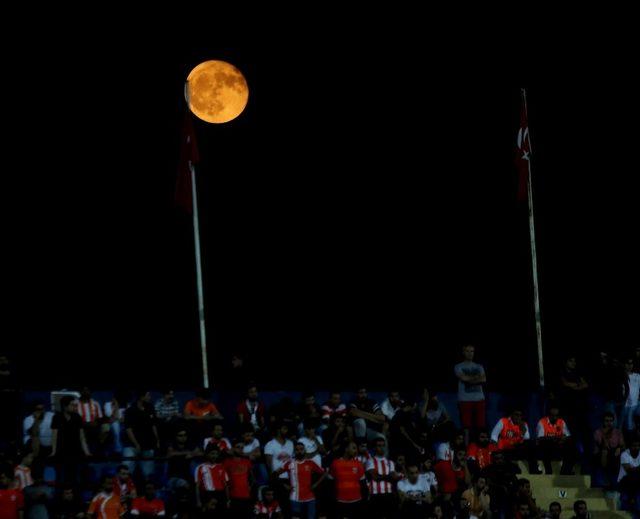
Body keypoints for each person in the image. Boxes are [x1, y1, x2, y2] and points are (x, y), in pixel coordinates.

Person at [273, 442, 326, 519]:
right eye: (297, 450)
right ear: (294, 451)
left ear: (304, 450)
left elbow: (324, 473)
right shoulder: (289, 463)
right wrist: (285, 485)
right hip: (295, 498)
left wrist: (316, 484)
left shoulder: (310, 463)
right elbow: (274, 474)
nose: (299, 451)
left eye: (301, 449)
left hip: (310, 498)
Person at [50, 396, 91, 485]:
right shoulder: (56, 417)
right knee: (60, 478)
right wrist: (53, 452)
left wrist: (87, 452)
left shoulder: (77, 417)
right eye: (72, 405)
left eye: (75, 405)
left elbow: (82, 437)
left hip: (75, 452)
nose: (75, 407)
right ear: (65, 406)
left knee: (75, 479)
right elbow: (54, 436)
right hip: (61, 453)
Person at [122, 391, 160, 480]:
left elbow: (153, 425)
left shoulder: (150, 408)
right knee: (126, 471)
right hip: (131, 445)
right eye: (148, 395)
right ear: (141, 397)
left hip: (147, 445)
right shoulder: (130, 410)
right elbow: (128, 429)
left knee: (149, 474)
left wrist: (157, 440)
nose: (150, 397)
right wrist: (136, 444)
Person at [454, 344, 487, 444]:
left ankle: (479, 449)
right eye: (467, 351)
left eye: (472, 351)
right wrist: (477, 379)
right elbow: (463, 378)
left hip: (479, 399)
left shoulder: (479, 366)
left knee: (480, 426)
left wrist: (469, 380)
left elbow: (484, 379)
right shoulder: (458, 366)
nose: (470, 353)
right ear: (463, 352)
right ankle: (467, 448)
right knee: (466, 427)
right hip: (465, 400)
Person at [490, 409, 540, 473]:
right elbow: (494, 435)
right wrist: (495, 446)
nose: (518, 417)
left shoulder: (523, 424)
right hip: (505, 449)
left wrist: (523, 431)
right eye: (516, 415)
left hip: (517, 449)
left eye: (520, 415)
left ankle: (534, 470)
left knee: (531, 445)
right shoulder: (503, 421)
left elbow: (526, 439)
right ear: (511, 415)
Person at [328, 442, 366, 519]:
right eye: (354, 448)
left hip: (356, 501)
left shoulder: (359, 464)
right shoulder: (335, 463)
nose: (356, 451)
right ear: (346, 449)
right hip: (340, 501)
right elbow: (330, 483)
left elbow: (363, 483)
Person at [536, 404, 575, 474]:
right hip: (546, 447)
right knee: (545, 444)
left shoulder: (561, 422)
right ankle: (548, 470)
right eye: (552, 415)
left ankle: (565, 471)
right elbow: (540, 438)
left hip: (558, 446)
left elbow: (568, 436)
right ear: (549, 415)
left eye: (556, 415)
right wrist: (555, 438)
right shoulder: (542, 422)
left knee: (571, 446)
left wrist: (564, 438)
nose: (554, 417)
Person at [365, 438, 397, 519]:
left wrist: (381, 476)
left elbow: (393, 478)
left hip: (389, 495)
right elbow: (375, 477)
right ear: (375, 448)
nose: (382, 448)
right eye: (379, 446)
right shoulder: (370, 461)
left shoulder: (390, 462)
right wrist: (388, 476)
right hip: (375, 495)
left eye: (383, 445)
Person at [593, 411, 625, 489]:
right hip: (602, 452)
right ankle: (607, 480)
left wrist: (619, 448)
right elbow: (598, 445)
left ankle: (614, 482)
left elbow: (623, 445)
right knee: (605, 452)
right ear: (603, 422)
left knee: (618, 455)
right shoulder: (598, 432)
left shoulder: (617, 432)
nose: (609, 423)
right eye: (607, 421)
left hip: (614, 453)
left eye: (611, 421)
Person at [222, 440, 253, 518]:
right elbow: (223, 480)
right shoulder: (227, 462)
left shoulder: (247, 461)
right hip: (233, 496)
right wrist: (227, 498)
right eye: (238, 447)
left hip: (246, 496)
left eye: (242, 448)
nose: (240, 449)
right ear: (232, 448)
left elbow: (252, 478)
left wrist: (249, 487)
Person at [195, 444, 229, 509]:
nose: (214, 456)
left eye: (216, 454)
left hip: (220, 494)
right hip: (207, 495)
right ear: (207, 454)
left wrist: (228, 500)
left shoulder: (221, 467)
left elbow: (225, 485)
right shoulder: (200, 467)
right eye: (212, 453)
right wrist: (198, 501)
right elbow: (197, 486)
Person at [617, 437, 640, 512]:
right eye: (634, 446)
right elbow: (629, 470)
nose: (636, 448)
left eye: (637, 446)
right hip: (624, 480)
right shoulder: (624, 454)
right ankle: (631, 500)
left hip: (636, 480)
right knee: (633, 476)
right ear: (629, 447)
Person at [621, 358, 640, 431]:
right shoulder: (620, 376)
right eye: (627, 363)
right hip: (624, 405)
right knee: (628, 425)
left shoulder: (638, 376)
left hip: (636, 404)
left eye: (631, 363)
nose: (629, 365)